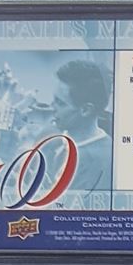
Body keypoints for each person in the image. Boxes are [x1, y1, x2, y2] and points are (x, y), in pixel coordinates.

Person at [46, 57, 112, 195]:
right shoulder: (58, 136)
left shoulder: (97, 163)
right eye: (54, 100)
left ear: (86, 110)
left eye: (60, 103)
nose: (52, 107)